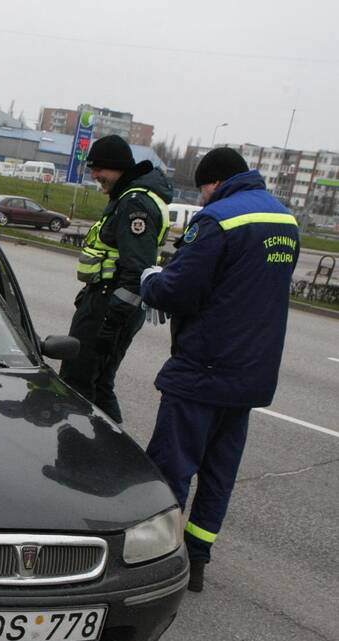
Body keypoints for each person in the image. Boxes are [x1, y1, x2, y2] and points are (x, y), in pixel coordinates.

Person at [138, 148, 299, 592]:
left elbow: (180, 289)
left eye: (205, 189)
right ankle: (199, 559)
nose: (205, 198)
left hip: (204, 369)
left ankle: (157, 558)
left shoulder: (217, 219)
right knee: (219, 472)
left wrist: (151, 279)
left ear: (213, 183)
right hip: (251, 374)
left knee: (172, 466)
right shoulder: (285, 220)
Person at [58, 134, 173, 423]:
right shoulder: (129, 197)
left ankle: (76, 456)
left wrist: (111, 321)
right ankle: (112, 458)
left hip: (111, 307)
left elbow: (137, 271)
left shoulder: (135, 204)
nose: (95, 175)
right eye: (93, 168)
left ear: (119, 167)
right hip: (106, 300)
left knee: (78, 383)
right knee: (97, 385)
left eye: (100, 169)